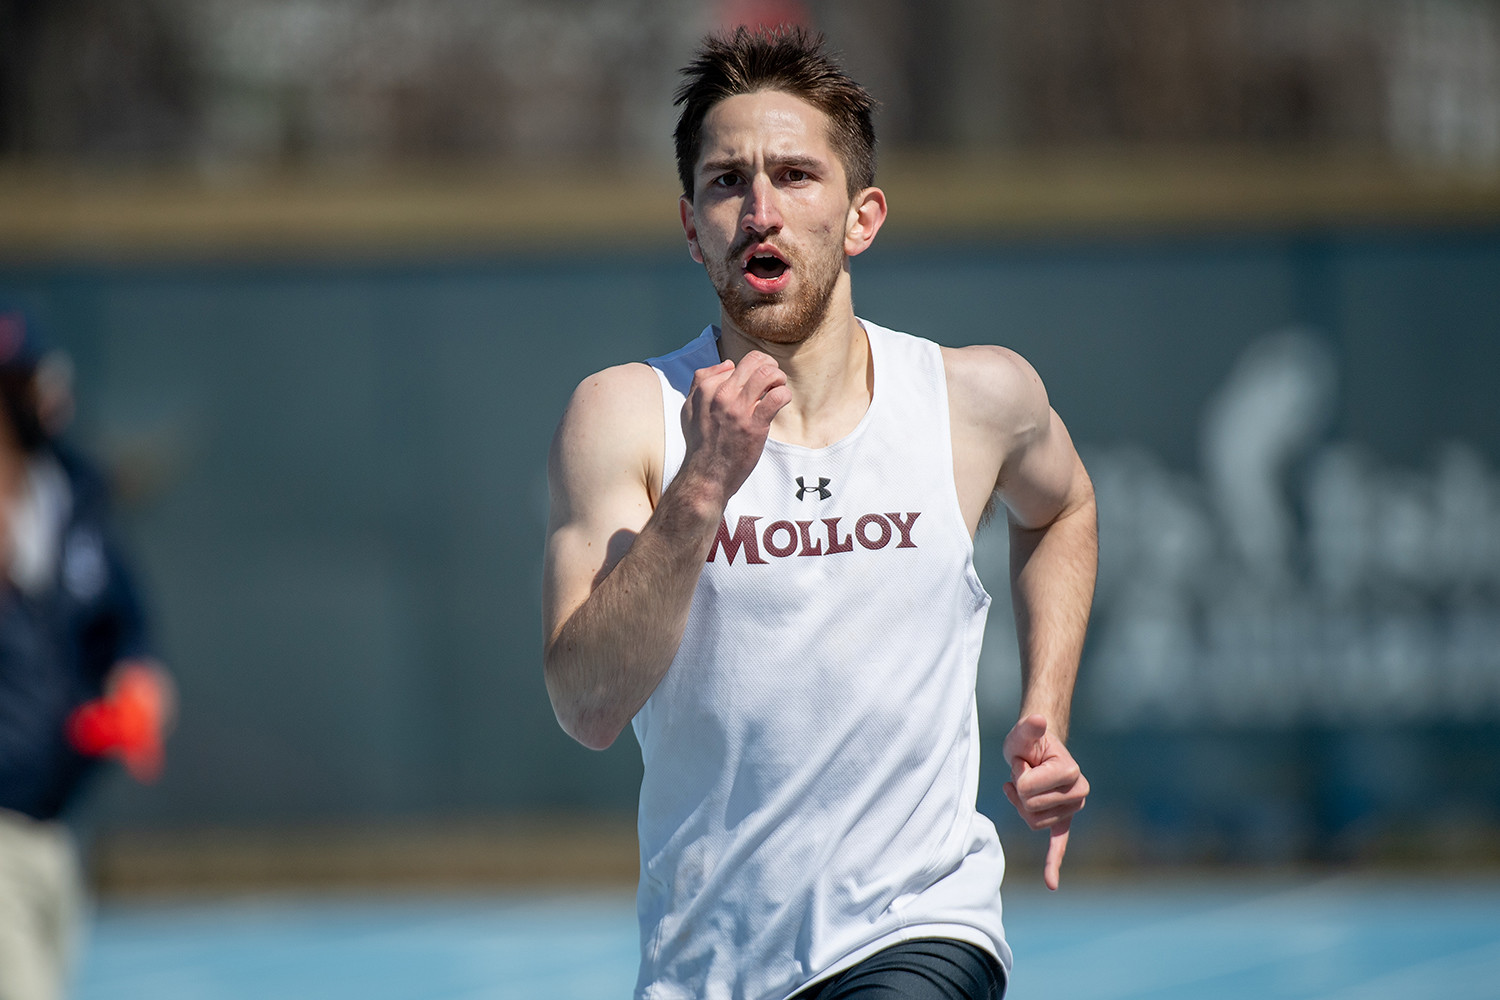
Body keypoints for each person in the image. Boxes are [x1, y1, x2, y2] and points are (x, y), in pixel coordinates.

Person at [542, 27, 1095, 1000]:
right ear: (690, 224)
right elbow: (586, 704)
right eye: (727, 182)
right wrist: (702, 488)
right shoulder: (625, 415)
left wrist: (1044, 706)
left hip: (918, 928)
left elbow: (1064, 508)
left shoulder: (974, 398)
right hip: (707, 963)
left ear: (861, 216)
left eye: (796, 175)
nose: (760, 210)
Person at [0, 308, 172, 1000]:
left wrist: (137, 680)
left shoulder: (68, 496)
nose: (52, 399)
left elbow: (124, 622)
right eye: (29, 384)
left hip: (54, 823)